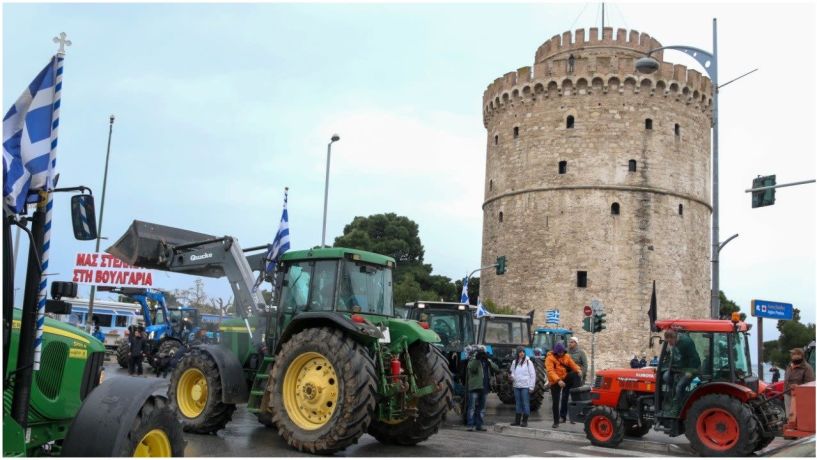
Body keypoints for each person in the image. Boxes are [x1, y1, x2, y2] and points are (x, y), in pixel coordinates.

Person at [662, 328, 701, 414]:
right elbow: (671, 358)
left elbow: (694, 358)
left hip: (691, 368)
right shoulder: (672, 344)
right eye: (667, 342)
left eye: (670, 342)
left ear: (674, 338)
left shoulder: (687, 342)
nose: (669, 344)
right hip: (680, 368)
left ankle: (678, 408)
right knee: (665, 376)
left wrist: (690, 371)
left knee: (679, 387)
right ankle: (673, 396)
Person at [545, 342, 581, 428]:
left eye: (562, 352)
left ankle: (576, 392)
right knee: (555, 402)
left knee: (575, 374)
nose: (561, 354)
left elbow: (573, 365)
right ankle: (556, 422)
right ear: (556, 352)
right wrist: (558, 380)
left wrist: (579, 370)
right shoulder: (549, 358)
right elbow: (550, 371)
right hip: (555, 381)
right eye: (559, 352)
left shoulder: (566, 356)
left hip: (564, 377)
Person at [466, 346, 498, 432]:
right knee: (472, 407)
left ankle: (479, 425)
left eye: (483, 351)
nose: (482, 353)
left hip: (484, 387)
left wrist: (488, 360)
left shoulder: (486, 360)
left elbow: (496, 368)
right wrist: (477, 359)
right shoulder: (473, 359)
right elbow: (472, 368)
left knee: (482, 408)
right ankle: (470, 425)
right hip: (475, 387)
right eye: (480, 351)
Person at [783, 347, 815, 417]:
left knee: (798, 416)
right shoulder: (789, 365)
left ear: (801, 355)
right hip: (787, 393)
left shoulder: (807, 368)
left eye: (796, 354)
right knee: (789, 415)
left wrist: (798, 386)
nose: (793, 356)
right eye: (792, 354)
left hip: (799, 395)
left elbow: (810, 384)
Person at [509, 347, 536, 427]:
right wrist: (512, 377)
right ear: (517, 353)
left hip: (525, 386)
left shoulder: (528, 362)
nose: (522, 353)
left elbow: (533, 375)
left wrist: (531, 387)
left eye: (523, 352)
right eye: (520, 352)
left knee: (525, 403)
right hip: (516, 386)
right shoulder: (514, 362)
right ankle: (517, 421)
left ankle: (524, 421)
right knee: (518, 404)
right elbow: (512, 373)